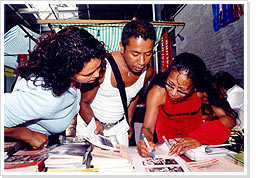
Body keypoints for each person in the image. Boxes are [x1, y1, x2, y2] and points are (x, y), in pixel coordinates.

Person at [4, 26, 108, 149]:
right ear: (65, 70)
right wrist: (28, 135)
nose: (96, 75)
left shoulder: (73, 77)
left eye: (98, 67)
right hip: (22, 145)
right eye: (88, 74)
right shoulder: (43, 96)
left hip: (49, 140)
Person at [137, 52, 238, 157]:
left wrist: (198, 137)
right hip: (167, 149)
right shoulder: (158, 93)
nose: (173, 92)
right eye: (170, 84)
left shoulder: (201, 93)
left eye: (181, 90)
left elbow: (229, 120)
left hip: (196, 147)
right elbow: (148, 128)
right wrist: (145, 143)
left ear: (194, 88)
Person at [78, 20, 156, 146]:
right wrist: (94, 123)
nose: (142, 61)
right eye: (135, 54)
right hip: (92, 127)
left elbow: (134, 94)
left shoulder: (147, 72)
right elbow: (83, 102)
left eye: (148, 54)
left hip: (120, 129)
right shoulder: (103, 67)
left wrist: (129, 120)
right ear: (122, 47)